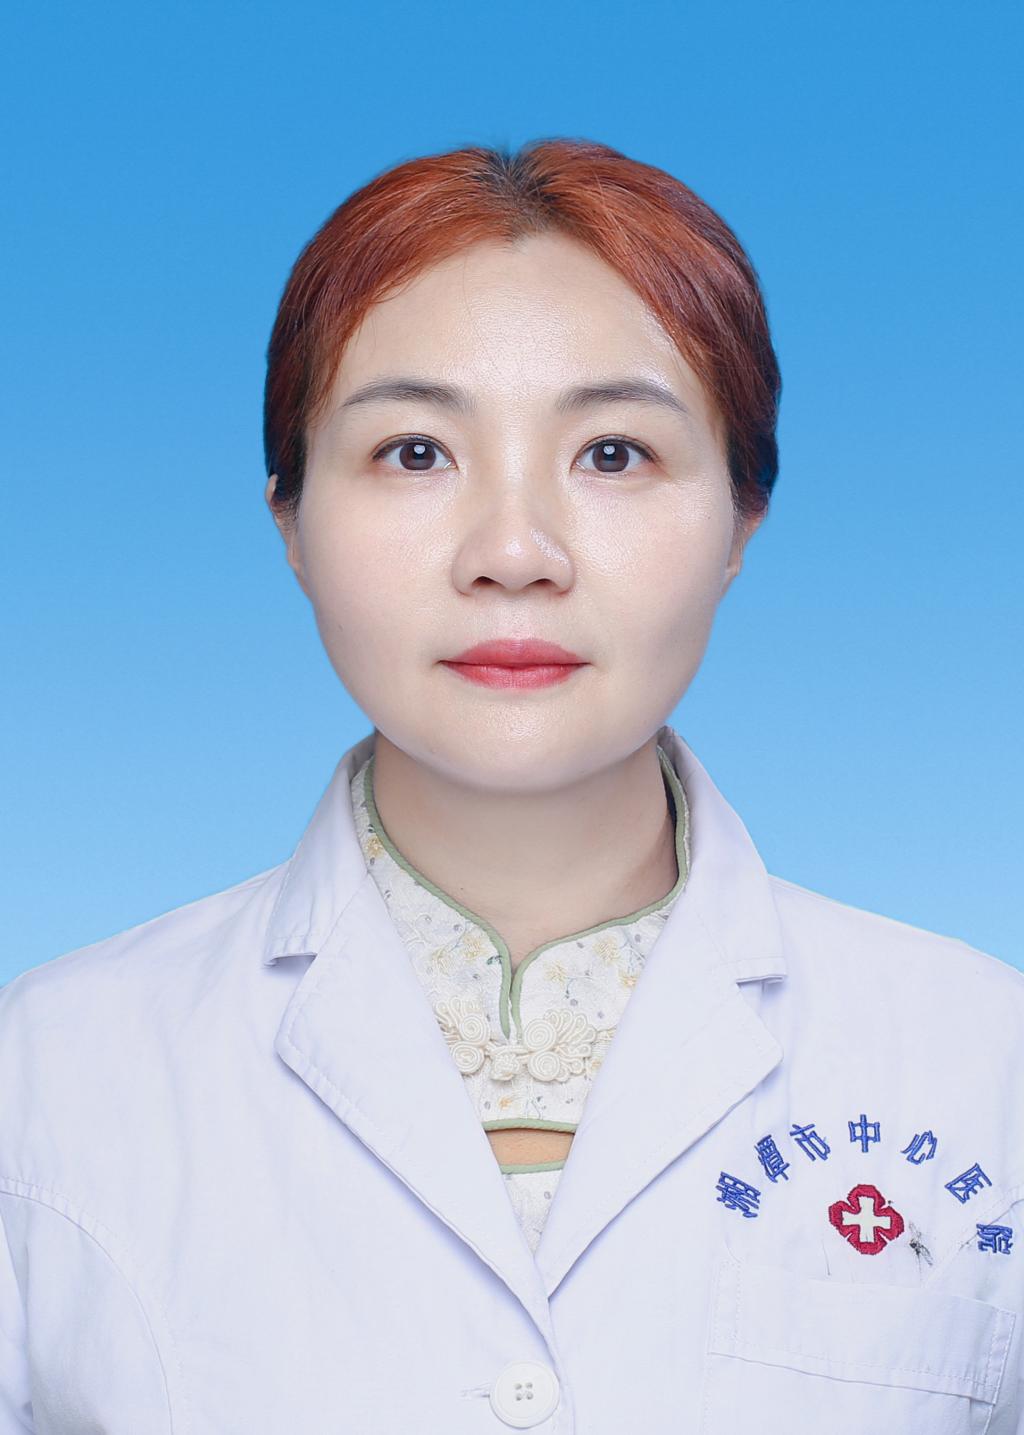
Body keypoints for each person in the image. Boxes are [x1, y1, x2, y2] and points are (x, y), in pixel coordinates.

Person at [1, 137, 1021, 1434]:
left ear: (742, 521)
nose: (515, 552)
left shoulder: (985, 1063)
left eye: (614, 454)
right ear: (290, 520)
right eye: (416, 452)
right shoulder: (48, 1073)